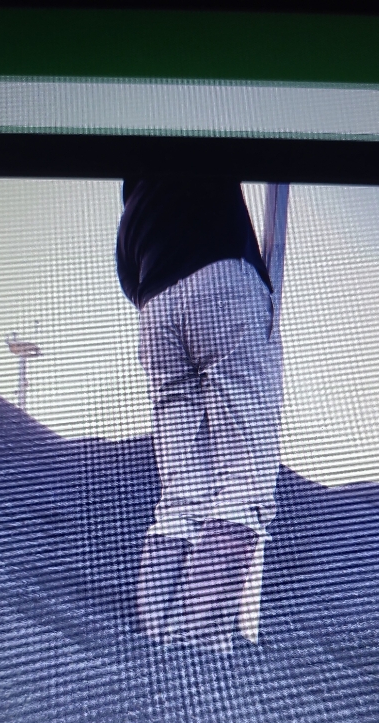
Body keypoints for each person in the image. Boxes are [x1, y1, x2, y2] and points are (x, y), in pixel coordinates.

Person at [116, 177, 283, 652]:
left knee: (181, 493)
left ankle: (155, 640)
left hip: (154, 309)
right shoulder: (199, 153)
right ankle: (196, 648)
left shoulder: (136, 192)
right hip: (221, 280)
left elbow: (127, 274)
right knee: (246, 483)